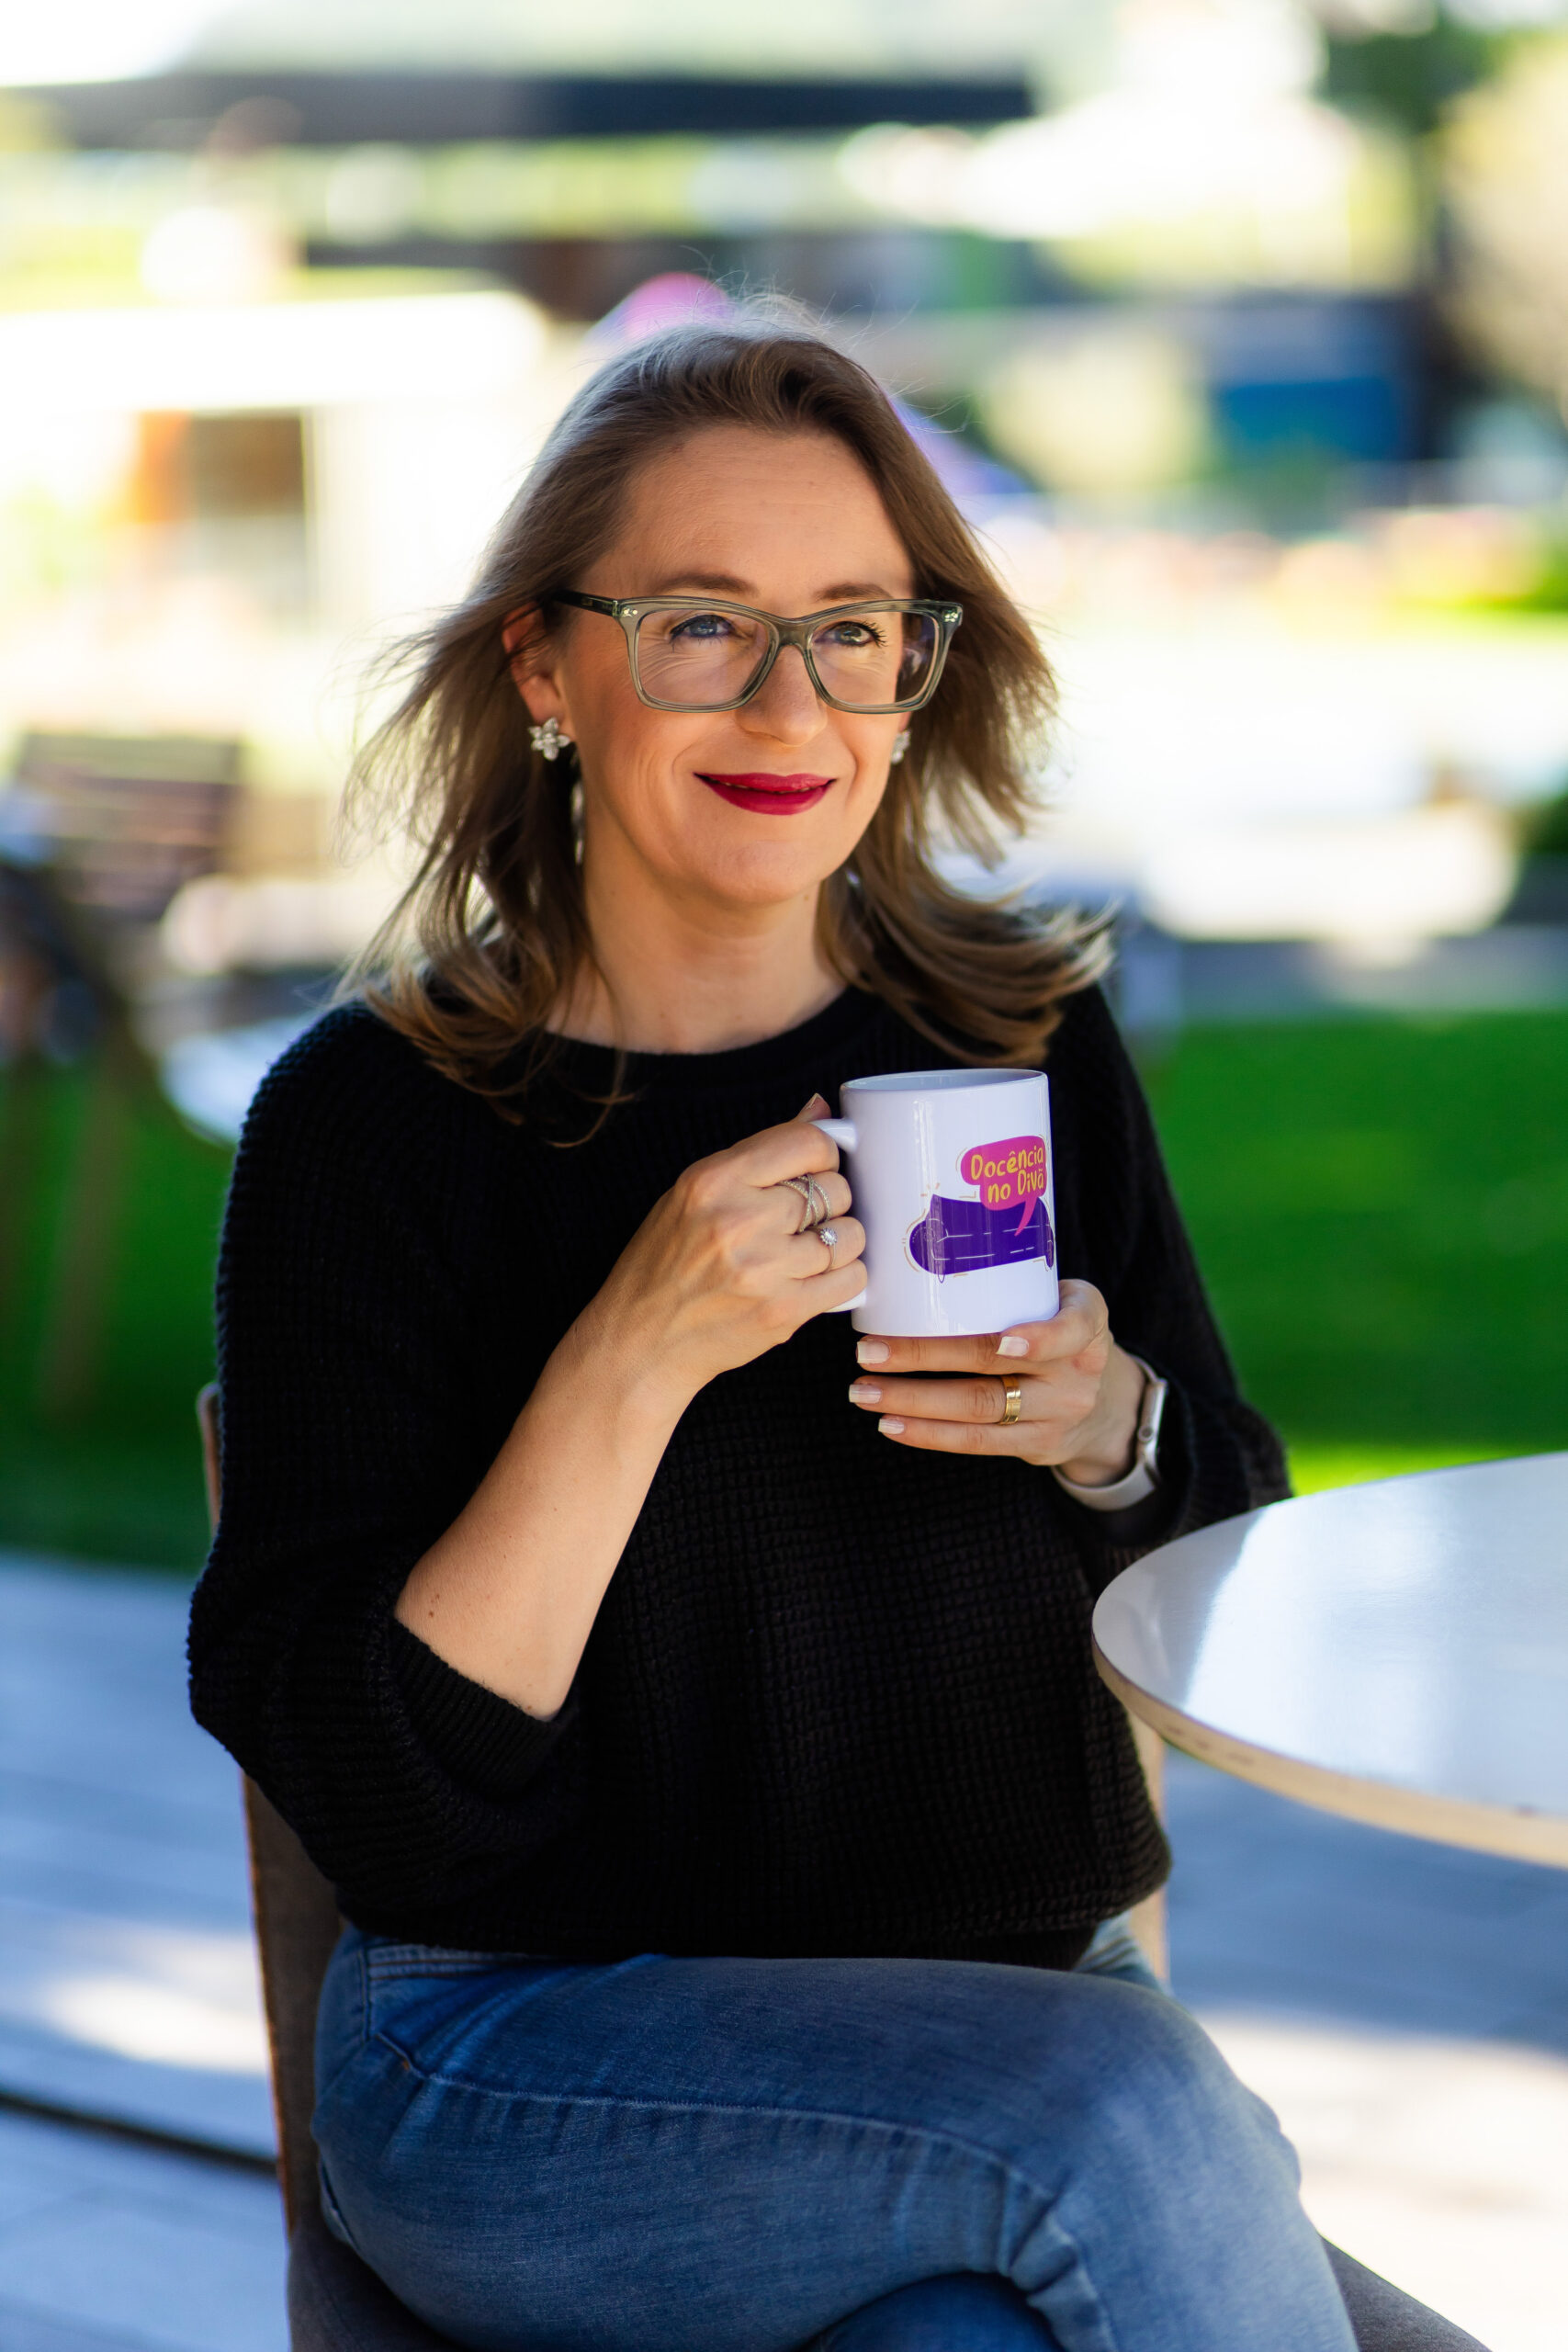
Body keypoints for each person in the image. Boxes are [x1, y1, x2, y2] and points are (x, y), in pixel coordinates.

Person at [188, 321, 1357, 2352]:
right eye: (702, 626)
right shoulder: (371, 1124)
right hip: (527, 2052)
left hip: (1011, 2012)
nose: (789, 700)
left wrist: (1114, 1426)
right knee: (1129, 2120)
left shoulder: (1016, 1040)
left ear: (917, 674)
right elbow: (369, 1794)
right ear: (542, 666)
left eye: (852, 628)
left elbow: (1221, 1537)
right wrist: (631, 1353)